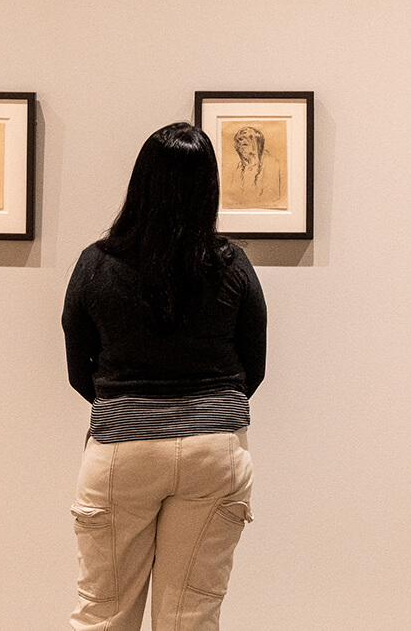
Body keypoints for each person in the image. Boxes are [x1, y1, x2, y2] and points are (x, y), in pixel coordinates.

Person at [61, 122, 266, 631]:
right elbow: (253, 366)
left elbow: (77, 367)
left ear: (141, 182)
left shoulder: (96, 264)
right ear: (209, 189)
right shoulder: (231, 265)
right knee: (190, 619)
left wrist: (129, 405)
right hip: (212, 452)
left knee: (103, 616)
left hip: (121, 451)